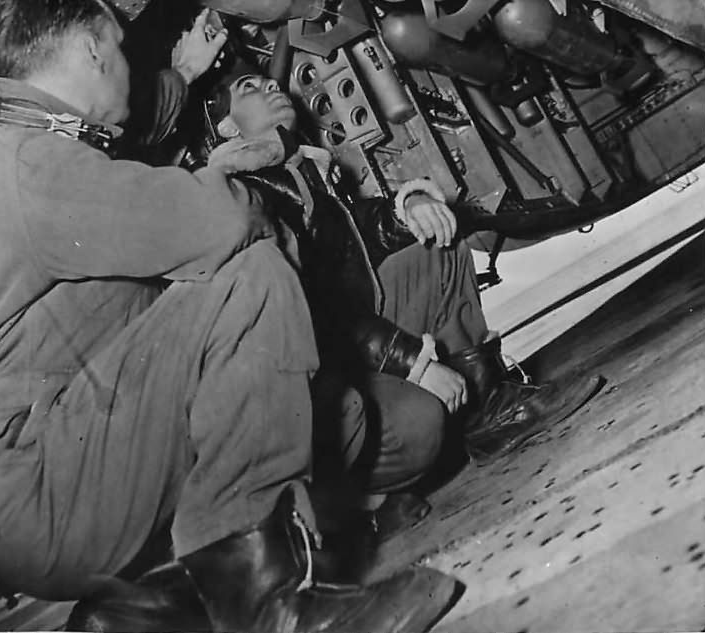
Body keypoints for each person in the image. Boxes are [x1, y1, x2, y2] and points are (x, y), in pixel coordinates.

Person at [0, 0, 459, 633]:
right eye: (121, 49)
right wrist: (245, 165)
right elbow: (221, 227)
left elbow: (148, 135)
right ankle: (265, 605)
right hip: (43, 487)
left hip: (55, 472)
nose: (128, 68)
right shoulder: (27, 165)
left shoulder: (24, 155)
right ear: (93, 52)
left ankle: (157, 601)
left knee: (353, 413)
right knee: (251, 277)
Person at [203, 64, 603, 494]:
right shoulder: (247, 195)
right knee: (415, 427)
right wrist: (411, 362)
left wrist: (406, 209)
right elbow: (312, 308)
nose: (271, 85)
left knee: (437, 243)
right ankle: (367, 497)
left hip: (355, 327)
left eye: (268, 80)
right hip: (324, 361)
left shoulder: (296, 169)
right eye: (249, 88)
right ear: (227, 128)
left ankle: (491, 410)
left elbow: (352, 235)